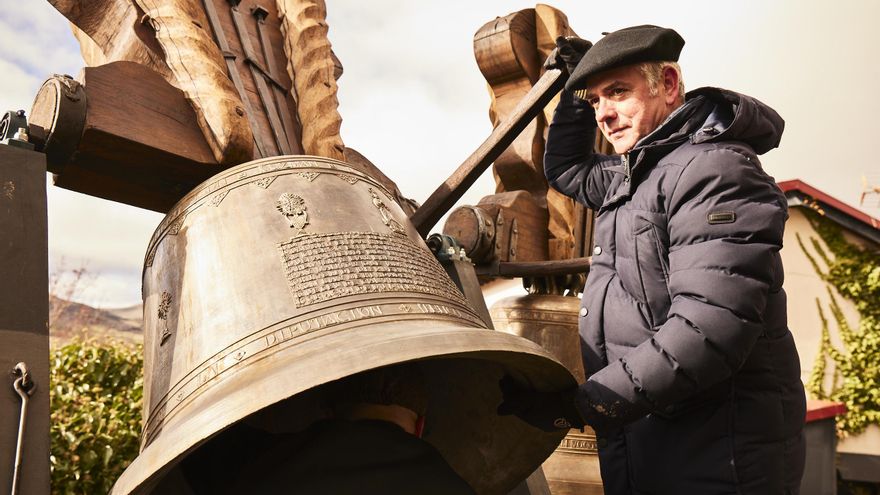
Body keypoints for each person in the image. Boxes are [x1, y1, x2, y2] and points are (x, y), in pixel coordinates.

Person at [499, 25, 806, 494]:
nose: (604, 113)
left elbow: (709, 329)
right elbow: (567, 168)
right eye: (596, 99)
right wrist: (572, 92)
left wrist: (590, 404)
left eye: (618, 92)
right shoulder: (638, 177)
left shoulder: (714, 170)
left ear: (667, 83)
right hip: (651, 442)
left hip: (716, 459)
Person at [181, 363, 475, 494]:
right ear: (420, 425)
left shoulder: (258, 463)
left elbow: (194, 454)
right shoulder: (455, 486)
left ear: (326, 410)